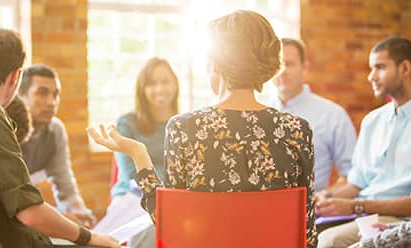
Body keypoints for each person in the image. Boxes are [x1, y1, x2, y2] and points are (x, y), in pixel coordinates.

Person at [88, 10, 317, 247]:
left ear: (215, 64)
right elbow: (307, 235)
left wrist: (138, 153)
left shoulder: (185, 128)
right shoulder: (297, 129)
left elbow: (171, 226)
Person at [0, 29, 119, 247]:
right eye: (42, 93)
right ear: (16, 77)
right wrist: (90, 237)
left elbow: (62, 188)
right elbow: (29, 213)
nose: (51, 102)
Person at [316, 36, 411, 248]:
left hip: (399, 220)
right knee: (302, 232)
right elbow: (357, 183)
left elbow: (357, 199)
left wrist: (356, 207)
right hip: (365, 214)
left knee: (329, 242)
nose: (371, 77)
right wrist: (326, 196)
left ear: (405, 68)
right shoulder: (372, 121)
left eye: (379, 67)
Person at [94, 57, 179, 247]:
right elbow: (132, 173)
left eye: (165, 81)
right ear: (142, 89)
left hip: (173, 197)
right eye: (151, 83)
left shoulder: (183, 124)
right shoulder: (127, 123)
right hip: (132, 197)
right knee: (150, 227)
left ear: (175, 85)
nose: (159, 89)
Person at [263, 38, 357, 191]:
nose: (282, 71)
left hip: (313, 212)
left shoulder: (333, 115)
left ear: (304, 68)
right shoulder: (259, 114)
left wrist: (323, 199)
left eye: (289, 64)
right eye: (277, 65)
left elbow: (352, 177)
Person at [18, 64, 96, 227]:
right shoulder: (4, 129)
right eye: (42, 93)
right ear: (20, 94)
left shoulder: (55, 130)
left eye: (55, 94)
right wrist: (62, 218)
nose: (51, 102)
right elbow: (17, 200)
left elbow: (65, 186)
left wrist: (79, 212)